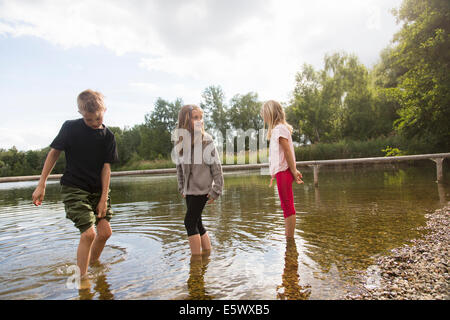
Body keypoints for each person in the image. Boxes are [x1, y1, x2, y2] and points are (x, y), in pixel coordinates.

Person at [32, 89, 118, 280]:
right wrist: (42, 184)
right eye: (89, 120)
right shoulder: (70, 128)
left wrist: (103, 198)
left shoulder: (108, 136)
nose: (95, 123)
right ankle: (82, 279)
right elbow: (54, 153)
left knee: (104, 232)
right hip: (74, 187)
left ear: (105, 109)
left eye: (98, 118)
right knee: (88, 234)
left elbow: (106, 168)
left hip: (98, 190)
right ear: (80, 113)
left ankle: (92, 263)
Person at [174, 104, 224, 256]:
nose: (200, 121)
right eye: (196, 118)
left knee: (189, 222)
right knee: (197, 223)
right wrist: (182, 187)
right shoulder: (181, 141)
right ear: (185, 121)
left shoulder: (206, 140)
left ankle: (195, 263)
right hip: (189, 191)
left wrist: (216, 190)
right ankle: (207, 256)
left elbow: (217, 167)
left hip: (202, 189)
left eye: (201, 118)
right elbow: (179, 168)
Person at [260, 100, 303, 238]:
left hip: (284, 172)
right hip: (281, 172)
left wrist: (293, 170)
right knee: (286, 206)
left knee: (287, 206)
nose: (264, 117)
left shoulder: (279, 129)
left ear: (271, 113)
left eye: (265, 114)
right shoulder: (277, 130)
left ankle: (289, 239)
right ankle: (289, 238)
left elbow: (287, 152)